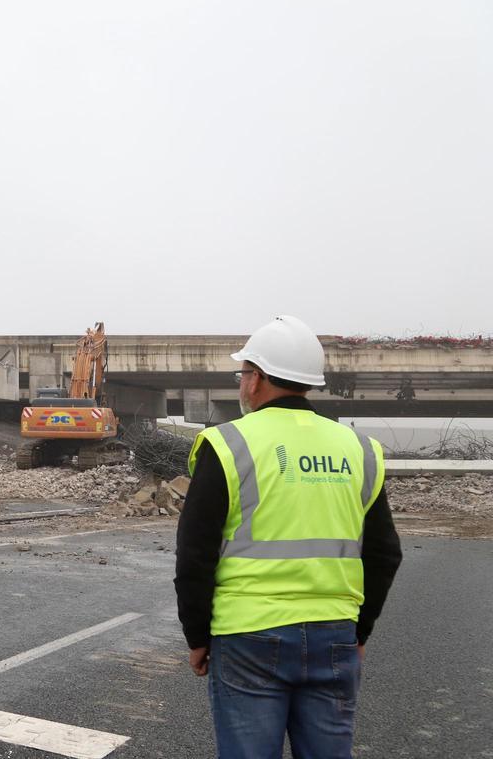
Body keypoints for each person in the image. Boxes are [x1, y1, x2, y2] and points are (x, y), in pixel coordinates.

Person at [174, 315, 402, 759]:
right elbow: (384, 552)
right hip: (334, 633)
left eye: (243, 373)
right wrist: (358, 630)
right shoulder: (358, 450)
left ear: (256, 379)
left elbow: (195, 554)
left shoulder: (227, 444)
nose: (242, 383)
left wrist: (197, 636)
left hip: (247, 635)